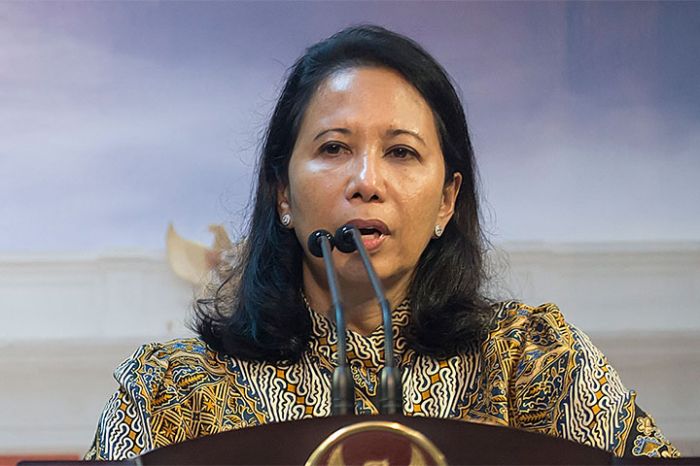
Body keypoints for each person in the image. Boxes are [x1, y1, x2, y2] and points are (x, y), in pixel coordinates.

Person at [85, 25, 679, 460]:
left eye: (401, 152)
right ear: (283, 194)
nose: (366, 182)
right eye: (334, 148)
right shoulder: (171, 392)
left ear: (446, 200)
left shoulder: (536, 365)